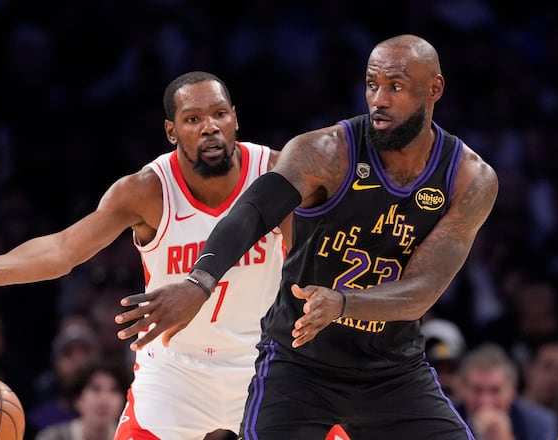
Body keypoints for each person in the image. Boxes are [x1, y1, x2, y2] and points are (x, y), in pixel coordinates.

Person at [116, 34, 499, 439]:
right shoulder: (327, 151)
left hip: (393, 371)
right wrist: (200, 282)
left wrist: (343, 304)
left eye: (396, 87)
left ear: (434, 88)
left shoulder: (468, 178)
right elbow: (254, 210)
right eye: (372, 85)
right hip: (299, 366)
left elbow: (421, 290)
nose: (379, 100)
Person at [0, 71, 289, 440]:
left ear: (235, 118)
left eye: (219, 114)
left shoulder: (277, 175)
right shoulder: (146, 190)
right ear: (171, 131)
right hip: (176, 374)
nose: (210, 126)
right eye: (193, 118)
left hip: (264, 361)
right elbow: (63, 249)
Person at [454, 343, 557, 440]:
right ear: (462, 390)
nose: (485, 401)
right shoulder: (444, 417)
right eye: (477, 390)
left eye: (495, 391)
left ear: (512, 390)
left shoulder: (539, 423)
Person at [35, 359, 132, 440]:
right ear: (78, 400)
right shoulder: (52, 437)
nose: (105, 398)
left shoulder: (133, 438)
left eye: (114, 390)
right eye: (96, 389)